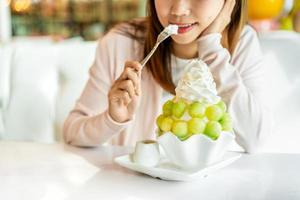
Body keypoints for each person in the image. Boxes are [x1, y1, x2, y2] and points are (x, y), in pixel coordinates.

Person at [63, 0, 272, 153]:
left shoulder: (242, 43)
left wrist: (211, 47)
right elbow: (72, 132)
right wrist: (113, 119)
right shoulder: (120, 42)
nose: (178, 10)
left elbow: (256, 140)